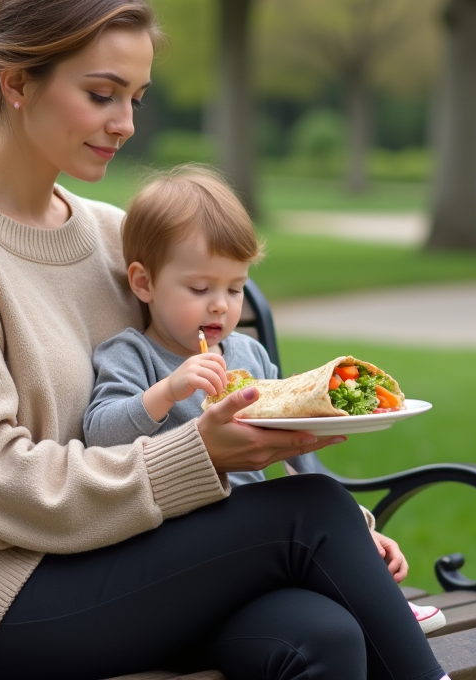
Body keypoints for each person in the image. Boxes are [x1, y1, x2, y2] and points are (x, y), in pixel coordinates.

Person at [0, 0, 451, 680]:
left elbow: (196, 385)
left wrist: (349, 528)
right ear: (17, 84)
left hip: (120, 556)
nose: (125, 123)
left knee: (321, 636)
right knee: (311, 514)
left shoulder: (112, 235)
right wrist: (203, 457)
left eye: (135, 97)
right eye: (102, 94)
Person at [81, 166, 447, 632]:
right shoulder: (131, 354)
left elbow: (297, 453)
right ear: (144, 283)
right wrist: (169, 390)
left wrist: (356, 529)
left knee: (317, 556)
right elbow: (100, 435)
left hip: (261, 533)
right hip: (178, 541)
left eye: (235, 288)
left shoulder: (248, 355)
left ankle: (372, 598)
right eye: (200, 288)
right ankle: (379, 611)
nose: (220, 304)